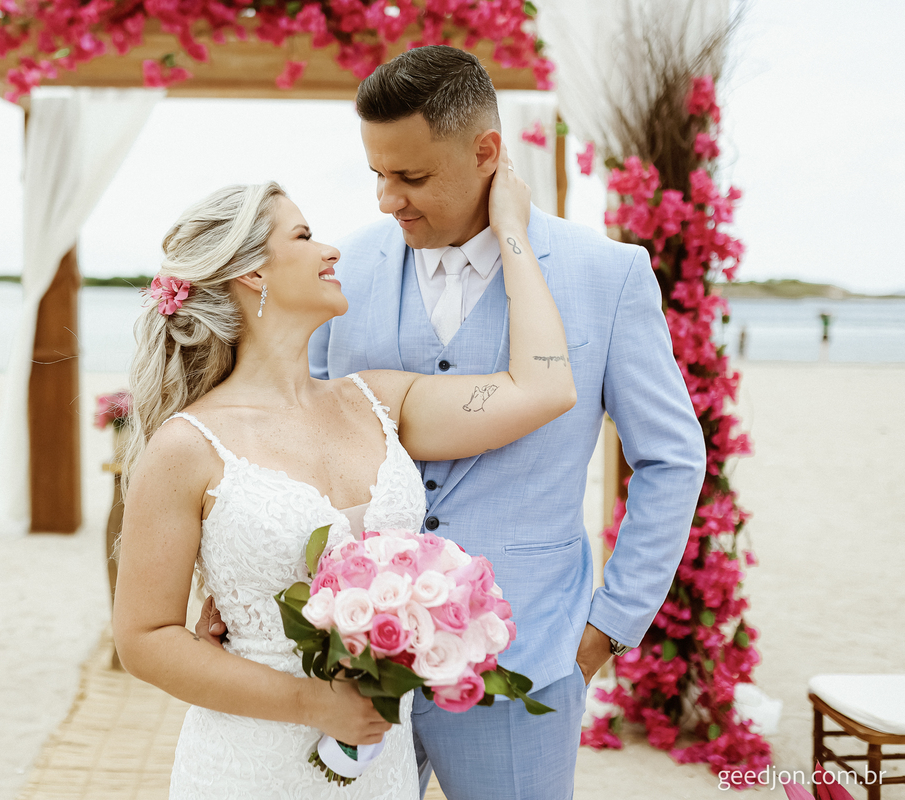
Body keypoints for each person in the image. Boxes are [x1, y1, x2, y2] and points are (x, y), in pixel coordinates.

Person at [199, 46, 707, 798]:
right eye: (377, 173)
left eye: (411, 177)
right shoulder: (342, 270)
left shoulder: (607, 273)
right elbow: (293, 437)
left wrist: (609, 625)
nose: (387, 200)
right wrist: (242, 580)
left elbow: (671, 458)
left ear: (487, 152)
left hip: (528, 652)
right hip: (352, 658)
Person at [113, 142, 575, 798]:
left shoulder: (380, 401)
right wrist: (313, 704)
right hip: (250, 767)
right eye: (304, 236)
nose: (332, 250)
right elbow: (143, 639)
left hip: (380, 769)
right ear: (252, 273)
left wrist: (511, 233)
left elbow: (545, 389)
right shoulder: (186, 447)